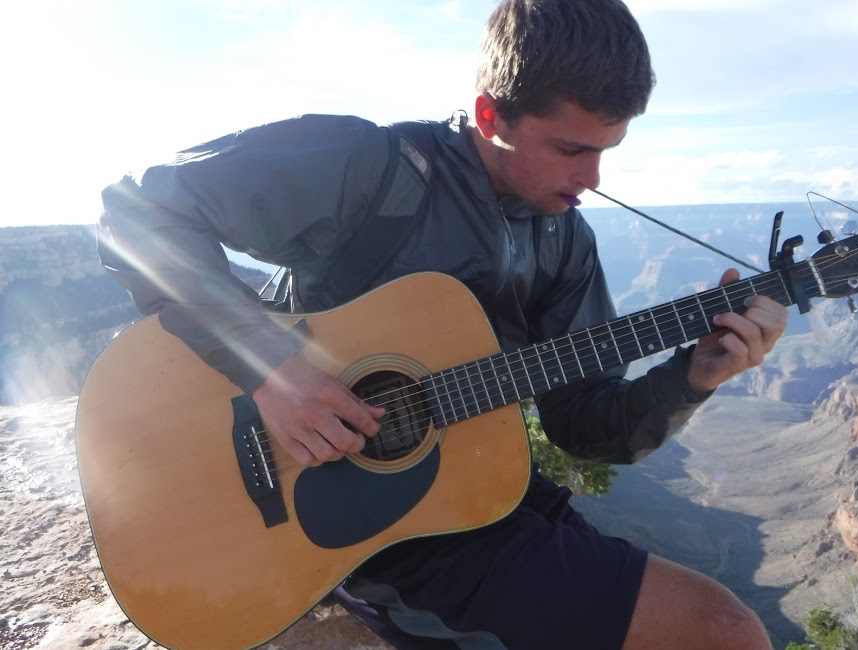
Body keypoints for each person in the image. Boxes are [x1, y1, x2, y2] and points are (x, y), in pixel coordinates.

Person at [97, 0, 788, 648]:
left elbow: (583, 428)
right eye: (571, 149)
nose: (595, 177)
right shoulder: (365, 168)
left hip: (470, 495)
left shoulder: (564, 241)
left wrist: (691, 377)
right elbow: (139, 210)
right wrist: (273, 372)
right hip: (350, 524)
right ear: (490, 114)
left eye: (607, 150)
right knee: (724, 634)